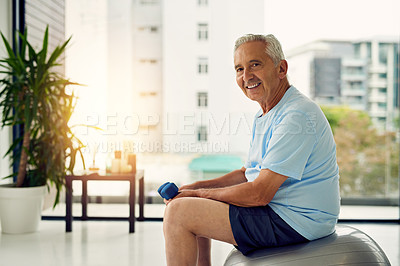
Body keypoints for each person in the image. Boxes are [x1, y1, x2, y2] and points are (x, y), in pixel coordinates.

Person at [163, 34, 340, 266]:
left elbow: (259, 193)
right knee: (188, 205)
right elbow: (248, 173)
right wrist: (196, 188)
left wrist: (199, 195)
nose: (246, 76)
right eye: (239, 69)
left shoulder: (296, 115)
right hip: (283, 213)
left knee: (179, 214)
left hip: (297, 221)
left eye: (255, 65)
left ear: (281, 68)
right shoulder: (266, 113)